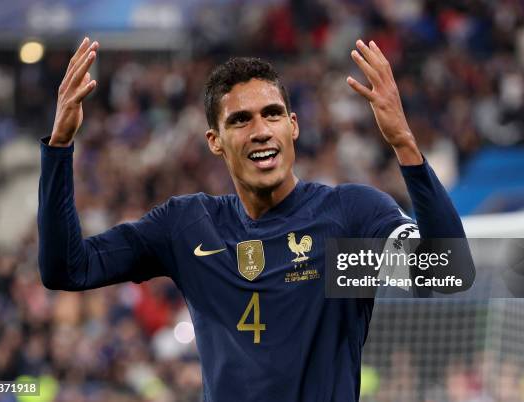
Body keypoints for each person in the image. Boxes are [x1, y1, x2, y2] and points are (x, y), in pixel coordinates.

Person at [38, 37, 474, 401]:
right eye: (241, 120)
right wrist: (59, 148)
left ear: (294, 126)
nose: (261, 130)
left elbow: (445, 273)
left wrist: (404, 143)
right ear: (215, 141)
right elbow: (68, 269)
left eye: (272, 114)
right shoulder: (188, 227)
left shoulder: (346, 219)